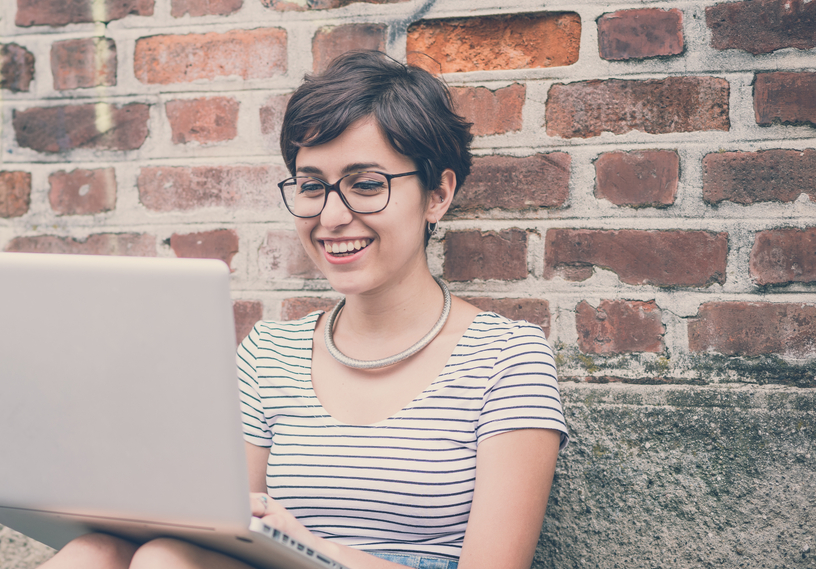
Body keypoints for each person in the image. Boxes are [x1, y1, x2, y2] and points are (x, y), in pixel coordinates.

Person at [39, 51, 568, 569]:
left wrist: (314, 549)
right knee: (108, 552)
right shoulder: (271, 354)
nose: (332, 216)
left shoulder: (506, 359)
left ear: (437, 194)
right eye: (313, 186)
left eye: (366, 185)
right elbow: (225, 533)